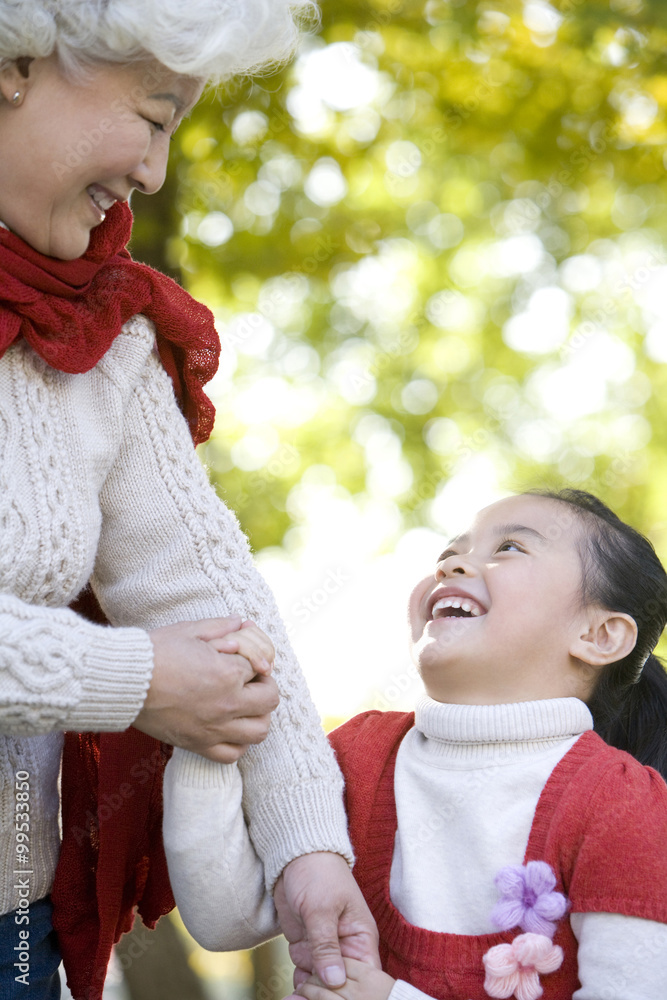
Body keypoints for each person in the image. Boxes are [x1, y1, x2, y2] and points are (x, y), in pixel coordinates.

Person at [0, 3, 380, 998]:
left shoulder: (103, 334)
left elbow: (208, 592)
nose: (155, 173)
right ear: (18, 65)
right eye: (155, 114)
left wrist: (307, 846)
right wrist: (132, 675)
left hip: (14, 939)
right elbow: (161, 663)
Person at [164, 488, 667, 1000]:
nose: (454, 566)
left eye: (510, 548)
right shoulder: (359, 753)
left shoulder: (622, 805)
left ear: (600, 635)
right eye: (449, 555)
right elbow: (227, 919)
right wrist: (207, 722)